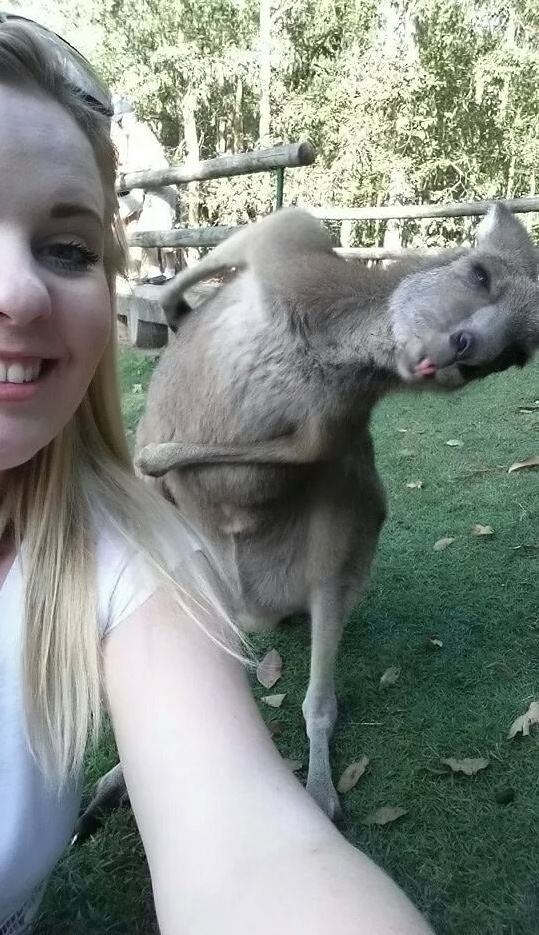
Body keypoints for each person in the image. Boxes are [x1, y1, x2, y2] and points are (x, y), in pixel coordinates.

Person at [0, 16, 434, 935]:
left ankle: (313, 723)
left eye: (68, 249)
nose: (21, 293)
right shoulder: (285, 246)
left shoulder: (120, 553)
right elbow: (239, 251)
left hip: (281, 533)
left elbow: (256, 861)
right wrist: (172, 292)